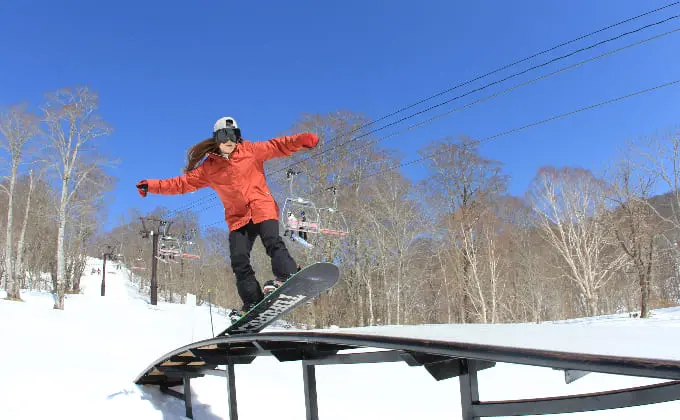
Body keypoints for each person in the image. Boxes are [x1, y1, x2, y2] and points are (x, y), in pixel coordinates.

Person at [135, 117, 318, 320]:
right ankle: (252, 301)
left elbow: (279, 145)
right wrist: (151, 186)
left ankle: (287, 274)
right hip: (238, 218)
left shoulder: (251, 151)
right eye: (224, 135)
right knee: (239, 260)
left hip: (261, 207)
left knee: (272, 241)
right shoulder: (209, 169)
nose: (229, 140)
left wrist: (302, 140)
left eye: (233, 135)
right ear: (216, 139)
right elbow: (181, 184)